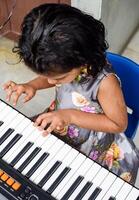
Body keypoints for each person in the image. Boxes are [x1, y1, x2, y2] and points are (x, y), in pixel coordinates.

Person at [3, 3, 139, 185]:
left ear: (82, 59)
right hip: (62, 121)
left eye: (59, 78)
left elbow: (119, 124)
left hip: (95, 142)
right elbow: (50, 77)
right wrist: (32, 85)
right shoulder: (63, 66)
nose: (51, 83)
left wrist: (69, 115)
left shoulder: (105, 83)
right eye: (45, 77)